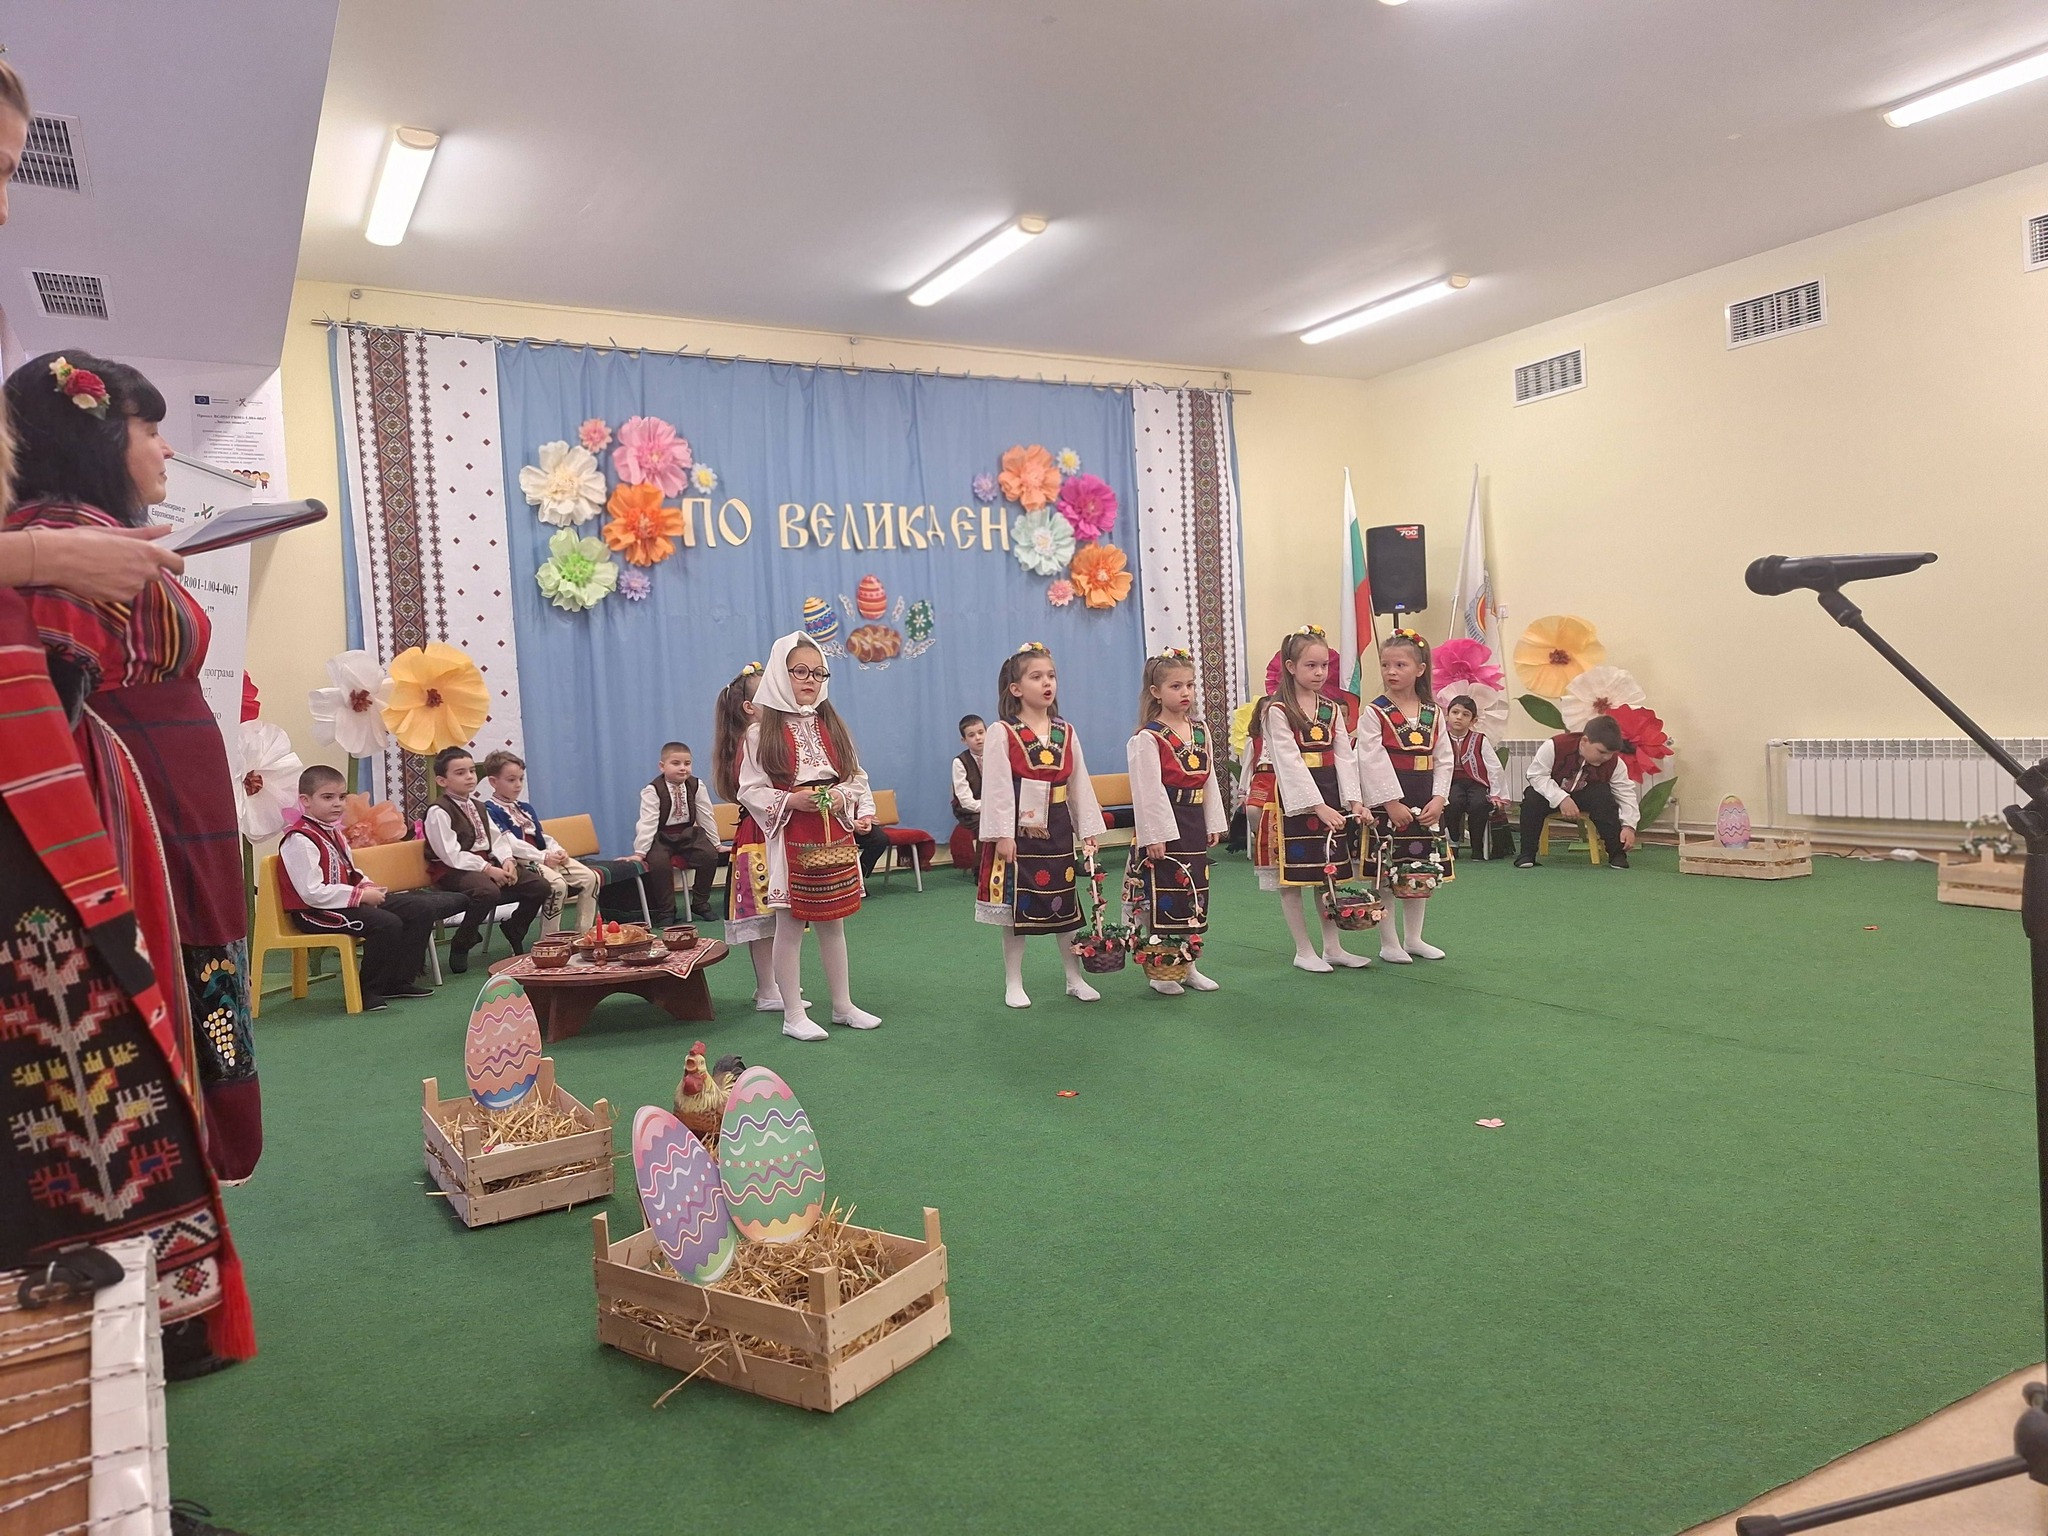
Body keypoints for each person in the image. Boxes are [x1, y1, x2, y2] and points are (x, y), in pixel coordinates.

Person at [5, 350, 264, 1182]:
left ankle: (186, 1153)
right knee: (163, 974)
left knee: (196, 961)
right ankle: (166, 1165)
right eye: (150, 428)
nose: (165, 448)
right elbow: (50, 706)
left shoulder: (76, 537)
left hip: (169, 794)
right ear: (96, 438)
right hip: (137, 803)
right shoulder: (63, 542)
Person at [738, 634, 883, 1039]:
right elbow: (750, 790)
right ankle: (793, 1014)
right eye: (800, 671)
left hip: (832, 830)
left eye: (818, 673)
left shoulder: (831, 727)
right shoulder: (759, 734)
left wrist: (841, 795)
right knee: (790, 923)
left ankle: (843, 1005)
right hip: (791, 833)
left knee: (833, 922)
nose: (810, 680)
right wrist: (790, 800)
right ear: (780, 675)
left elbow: (857, 777)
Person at [1247, 626, 1396, 973]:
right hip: (1294, 802)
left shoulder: (1331, 708)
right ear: (1290, 667)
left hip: (1330, 795)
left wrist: (1354, 801)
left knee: (1327, 874)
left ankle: (1332, 947)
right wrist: (1317, 806)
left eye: (1324, 665)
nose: (1319, 673)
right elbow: (1289, 761)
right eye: (1310, 665)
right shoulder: (1277, 710)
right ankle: (1303, 950)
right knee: (1293, 878)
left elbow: (1344, 756)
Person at [976, 642, 1109, 1008]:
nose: (1047, 683)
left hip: (1059, 828)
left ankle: (1074, 978)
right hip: (1020, 835)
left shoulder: (1066, 730)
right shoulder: (1002, 731)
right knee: (1016, 911)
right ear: (1016, 688)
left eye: (1051, 676)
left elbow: (1079, 782)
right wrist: (1003, 835)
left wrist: (1088, 829)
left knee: (1066, 907)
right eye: (1036, 677)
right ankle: (1014, 982)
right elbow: (998, 786)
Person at [279, 765, 452, 1008]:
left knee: (419, 908)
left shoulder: (333, 832)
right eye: (327, 797)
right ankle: (369, 990)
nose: (337, 804)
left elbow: (352, 871)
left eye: (342, 797)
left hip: (343, 903)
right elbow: (311, 892)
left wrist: (369, 887)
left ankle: (398, 980)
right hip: (314, 913)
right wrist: (360, 896)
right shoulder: (300, 839)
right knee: (385, 923)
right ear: (305, 801)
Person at [1126, 648, 1226, 996]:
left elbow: (1209, 779)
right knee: (1164, 894)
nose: (1185, 693)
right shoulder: (1148, 737)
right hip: (1166, 827)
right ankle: (1162, 970)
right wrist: (1154, 836)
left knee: (1193, 893)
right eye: (1176, 686)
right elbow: (1147, 791)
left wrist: (1213, 821)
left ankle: (1189, 966)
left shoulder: (1200, 730)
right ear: (1156, 692)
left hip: (1194, 823)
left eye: (1190, 685)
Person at [1367, 630, 1456, 964]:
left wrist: (1439, 798)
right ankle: (1388, 942)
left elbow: (1444, 758)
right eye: (1385, 665)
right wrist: (1391, 802)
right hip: (1391, 803)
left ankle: (1414, 938)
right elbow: (1370, 759)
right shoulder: (1375, 712)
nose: (1391, 671)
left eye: (1400, 665)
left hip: (1425, 800)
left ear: (1420, 669)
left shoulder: (1434, 712)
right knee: (1387, 872)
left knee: (1420, 868)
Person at [422, 745, 548, 969]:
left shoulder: (478, 806)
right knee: (487, 891)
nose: (470, 777)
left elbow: (497, 839)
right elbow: (450, 854)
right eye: (460, 773)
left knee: (539, 885)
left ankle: (515, 927)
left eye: (471, 771)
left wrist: (507, 861)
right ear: (442, 781)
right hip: (453, 870)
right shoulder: (438, 811)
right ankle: (462, 942)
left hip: (486, 865)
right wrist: (487, 869)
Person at [712, 662, 789, 1012]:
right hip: (759, 835)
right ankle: (769, 988)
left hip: (762, 831)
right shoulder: (752, 740)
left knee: (774, 916)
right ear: (750, 707)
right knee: (765, 916)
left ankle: (774, 983)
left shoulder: (745, 741)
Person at [482, 749, 599, 934]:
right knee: (558, 885)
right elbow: (509, 843)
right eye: (511, 780)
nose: (518, 785)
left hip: (543, 856)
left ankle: (585, 933)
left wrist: (558, 850)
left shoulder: (524, 808)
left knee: (591, 878)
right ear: (493, 782)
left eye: (521, 779)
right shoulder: (489, 810)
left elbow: (541, 836)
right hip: (521, 861)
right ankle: (550, 939)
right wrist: (543, 857)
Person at [1514, 714, 1640, 869]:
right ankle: (1526, 854)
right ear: (1585, 741)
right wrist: (1561, 798)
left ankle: (1617, 854)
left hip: (1585, 797)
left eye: (1610, 753)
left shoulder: (1615, 764)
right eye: (1601, 752)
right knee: (1532, 797)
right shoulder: (1554, 746)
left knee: (1603, 795)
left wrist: (1629, 826)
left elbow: (1625, 793)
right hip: (1552, 795)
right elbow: (1536, 775)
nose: (1606, 757)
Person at [634, 740, 722, 922]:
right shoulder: (652, 790)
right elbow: (648, 822)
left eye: (687, 763)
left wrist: (716, 844)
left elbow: (706, 815)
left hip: (688, 834)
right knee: (659, 864)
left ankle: (700, 903)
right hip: (661, 837)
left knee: (709, 856)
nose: (683, 768)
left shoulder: (696, 785)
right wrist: (640, 852)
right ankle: (667, 911)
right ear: (662, 766)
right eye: (676, 763)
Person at [1442, 695, 1510, 860]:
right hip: (1451, 783)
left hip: (1476, 783)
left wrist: (1497, 795)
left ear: (1473, 721)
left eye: (1465, 714)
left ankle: (1477, 846)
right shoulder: (1440, 739)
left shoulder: (1480, 740)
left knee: (1479, 804)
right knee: (1452, 802)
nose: (1459, 717)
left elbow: (1494, 768)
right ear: (1447, 715)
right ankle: (1453, 843)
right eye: (1455, 712)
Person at [949, 713, 985, 873]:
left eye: (981, 732)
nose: (978, 738)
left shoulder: (999, 756)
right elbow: (965, 799)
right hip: (969, 811)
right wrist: (987, 808)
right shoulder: (959, 762)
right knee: (986, 823)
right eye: (971, 735)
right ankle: (980, 870)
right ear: (964, 740)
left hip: (996, 807)